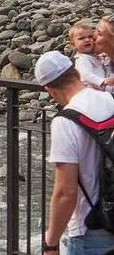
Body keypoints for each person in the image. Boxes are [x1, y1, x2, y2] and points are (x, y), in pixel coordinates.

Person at [38, 51, 114, 254]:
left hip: (91, 229)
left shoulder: (65, 122)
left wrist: (51, 243)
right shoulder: (110, 99)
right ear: (78, 74)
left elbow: (66, 192)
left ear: (50, 90)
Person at [72, 21, 114, 92]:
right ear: (73, 44)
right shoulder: (82, 59)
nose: (87, 40)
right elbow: (85, 75)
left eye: (90, 37)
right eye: (81, 38)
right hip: (92, 89)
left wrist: (100, 58)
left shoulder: (92, 56)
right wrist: (102, 81)